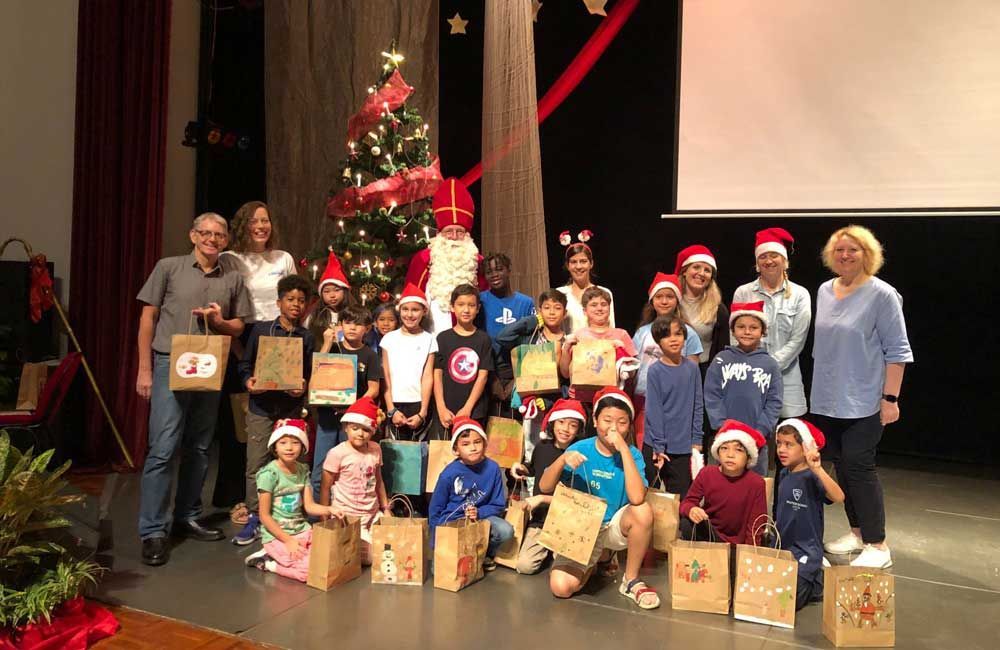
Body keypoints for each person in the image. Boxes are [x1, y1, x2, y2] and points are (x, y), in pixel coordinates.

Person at [135, 212, 253, 566]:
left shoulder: (233, 276)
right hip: (168, 361)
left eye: (219, 234)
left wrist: (218, 321)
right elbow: (147, 319)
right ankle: (153, 530)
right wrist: (143, 369)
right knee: (164, 446)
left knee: (200, 446)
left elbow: (238, 327)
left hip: (210, 364)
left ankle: (187, 516)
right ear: (192, 235)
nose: (212, 239)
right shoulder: (168, 268)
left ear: (227, 240)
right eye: (205, 233)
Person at [811, 225, 913, 569]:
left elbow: (897, 351)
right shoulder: (825, 290)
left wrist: (891, 398)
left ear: (867, 254)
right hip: (827, 398)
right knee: (841, 467)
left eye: (853, 249)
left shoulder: (882, 294)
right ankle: (857, 533)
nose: (845, 255)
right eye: (839, 249)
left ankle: (877, 544)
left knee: (860, 468)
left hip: (865, 399)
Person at [541, 388, 660, 610]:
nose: (613, 427)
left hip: (612, 526)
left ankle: (630, 580)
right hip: (581, 530)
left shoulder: (632, 454)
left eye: (622, 422)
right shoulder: (580, 448)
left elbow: (636, 498)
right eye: (607, 420)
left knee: (643, 510)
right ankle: (596, 561)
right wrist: (562, 461)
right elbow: (545, 486)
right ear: (595, 421)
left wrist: (623, 449)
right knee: (561, 587)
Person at [217, 201, 297, 517]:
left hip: (280, 339)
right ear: (242, 225)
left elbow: (295, 299)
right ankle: (239, 497)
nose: (261, 226)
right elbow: (225, 306)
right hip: (242, 338)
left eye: (266, 220)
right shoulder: (229, 259)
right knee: (241, 422)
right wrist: (241, 357)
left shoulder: (283, 258)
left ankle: (280, 493)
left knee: (279, 418)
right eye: (254, 221)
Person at [234, 274, 315, 545]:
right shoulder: (261, 330)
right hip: (261, 406)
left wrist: (303, 387)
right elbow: (245, 364)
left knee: (293, 462)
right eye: (290, 299)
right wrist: (249, 382)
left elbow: (311, 372)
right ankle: (256, 517)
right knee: (256, 463)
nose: (296, 305)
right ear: (279, 302)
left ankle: (291, 516)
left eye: (301, 301)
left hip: (291, 409)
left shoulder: (306, 336)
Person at [243, 419, 338, 582]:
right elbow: (264, 516)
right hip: (278, 534)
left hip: (302, 529)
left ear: (303, 446)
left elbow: (309, 506)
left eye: (295, 442)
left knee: (330, 558)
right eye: (283, 442)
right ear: (275, 446)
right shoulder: (268, 474)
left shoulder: (302, 470)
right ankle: (268, 563)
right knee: (309, 572)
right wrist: (287, 540)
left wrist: (330, 510)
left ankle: (279, 555)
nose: (289, 447)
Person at [732, 228, 811, 419]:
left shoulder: (800, 295)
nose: (768, 261)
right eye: (763, 256)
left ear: (785, 261)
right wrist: (751, 370)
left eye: (774, 255)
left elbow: (797, 341)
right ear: (757, 263)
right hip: (749, 379)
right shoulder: (743, 292)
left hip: (787, 380)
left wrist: (768, 366)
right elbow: (736, 339)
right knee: (753, 438)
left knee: (787, 438)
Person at [703, 302, 783, 476]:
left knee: (755, 485)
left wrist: (760, 431)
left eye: (753, 327)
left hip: (757, 439)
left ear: (763, 331)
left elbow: (774, 401)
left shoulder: (770, 364)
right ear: (733, 330)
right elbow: (711, 395)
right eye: (741, 327)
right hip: (726, 436)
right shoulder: (721, 359)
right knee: (725, 483)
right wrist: (721, 425)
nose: (747, 332)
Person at [310, 304, 382, 496]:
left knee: (350, 465)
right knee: (320, 468)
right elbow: (317, 373)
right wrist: (326, 342)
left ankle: (349, 514)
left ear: (367, 329)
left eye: (358, 324)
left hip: (353, 421)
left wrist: (355, 408)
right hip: (328, 416)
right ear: (340, 325)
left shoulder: (370, 355)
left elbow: (374, 388)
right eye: (347, 322)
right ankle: (318, 517)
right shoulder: (333, 348)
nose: (352, 327)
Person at [774, 418, 845, 610]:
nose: (781, 449)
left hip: (806, 552)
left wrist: (818, 469)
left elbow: (838, 496)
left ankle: (815, 579)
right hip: (784, 549)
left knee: (786, 602)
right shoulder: (784, 474)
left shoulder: (812, 477)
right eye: (779, 443)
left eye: (789, 444)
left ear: (805, 447)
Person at [509, 399, 586, 575]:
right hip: (540, 520)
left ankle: (555, 554)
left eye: (572, 425)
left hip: (566, 522)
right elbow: (533, 469)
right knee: (524, 566)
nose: (566, 429)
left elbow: (578, 500)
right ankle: (545, 552)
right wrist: (520, 468)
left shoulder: (580, 456)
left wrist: (543, 498)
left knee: (563, 570)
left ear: (579, 429)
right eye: (561, 422)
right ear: (553, 423)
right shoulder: (542, 448)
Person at [428, 417, 514, 572]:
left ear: (485, 443)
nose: (473, 448)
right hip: (453, 522)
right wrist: (436, 545)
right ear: (456, 450)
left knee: (505, 530)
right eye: (466, 444)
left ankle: (484, 554)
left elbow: (498, 504)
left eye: (477, 442)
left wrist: (479, 512)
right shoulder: (449, 474)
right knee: (438, 571)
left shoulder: (493, 469)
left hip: (481, 518)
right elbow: (435, 509)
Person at [404, 177, 487, 333]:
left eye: (460, 232)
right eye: (449, 231)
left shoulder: (477, 260)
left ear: (467, 234)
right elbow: (412, 296)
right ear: (440, 233)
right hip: (432, 331)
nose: (454, 236)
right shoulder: (424, 258)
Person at [496, 289, 570, 459]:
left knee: (555, 449)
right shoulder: (530, 337)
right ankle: (530, 483)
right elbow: (502, 337)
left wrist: (549, 401)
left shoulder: (568, 341)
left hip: (554, 404)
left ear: (564, 313)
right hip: (528, 404)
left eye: (557, 308)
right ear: (540, 311)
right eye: (546, 308)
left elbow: (567, 378)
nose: (551, 312)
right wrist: (530, 321)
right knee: (528, 449)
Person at [632, 273, 703, 448]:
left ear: (677, 301)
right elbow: (634, 365)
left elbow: (691, 377)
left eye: (670, 297)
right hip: (643, 400)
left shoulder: (689, 333)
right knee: (646, 447)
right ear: (652, 300)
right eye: (659, 297)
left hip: (676, 403)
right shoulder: (642, 332)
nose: (664, 301)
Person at [319, 397, 391, 565]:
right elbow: (325, 487)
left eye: (366, 429)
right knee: (376, 557)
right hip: (348, 517)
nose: (360, 433)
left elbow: (378, 481)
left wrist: (385, 508)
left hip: (372, 514)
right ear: (346, 428)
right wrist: (325, 520)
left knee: (393, 545)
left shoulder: (375, 449)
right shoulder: (337, 453)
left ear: (372, 431)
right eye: (355, 428)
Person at [559, 287, 638, 429]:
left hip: (611, 402)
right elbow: (565, 373)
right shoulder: (578, 335)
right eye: (593, 305)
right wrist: (566, 349)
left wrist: (621, 351)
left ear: (609, 308)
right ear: (585, 311)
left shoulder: (621, 335)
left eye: (604, 304)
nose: (599, 308)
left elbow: (632, 373)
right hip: (583, 400)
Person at [642, 315, 704, 497]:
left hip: (683, 446)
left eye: (678, 334)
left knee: (681, 497)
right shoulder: (655, 371)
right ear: (658, 341)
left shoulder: (692, 368)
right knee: (654, 496)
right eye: (667, 335)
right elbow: (654, 410)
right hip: (656, 445)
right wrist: (659, 446)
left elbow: (698, 405)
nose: (674, 339)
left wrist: (697, 439)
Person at [679, 419, 767, 545]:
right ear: (718, 452)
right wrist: (691, 509)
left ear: (748, 457)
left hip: (738, 543)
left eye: (738, 450)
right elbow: (687, 502)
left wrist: (748, 553)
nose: (730, 455)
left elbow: (756, 523)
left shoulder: (756, 483)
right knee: (686, 523)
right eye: (724, 448)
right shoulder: (707, 473)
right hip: (711, 535)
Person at [480, 253, 536, 415]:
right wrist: (492, 379)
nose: (494, 275)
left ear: (509, 270)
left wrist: (517, 380)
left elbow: (530, 345)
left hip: (516, 373)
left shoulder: (526, 303)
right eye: (489, 272)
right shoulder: (481, 300)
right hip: (489, 372)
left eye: (499, 269)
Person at [433, 284, 494, 433]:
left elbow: (483, 376)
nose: (466, 310)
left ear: (478, 309)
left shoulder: (484, 339)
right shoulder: (443, 338)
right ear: (452, 307)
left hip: (473, 411)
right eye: (461, 305)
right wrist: (441, 408)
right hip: (446, 411)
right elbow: (437, 374)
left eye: (471, 305)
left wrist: (468, 408)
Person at [380, 284, 436, 441]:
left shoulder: (429, 339)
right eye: (405, 309)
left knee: (418, 454)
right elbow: (386, 376)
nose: (410, 314)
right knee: (396, 456)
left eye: (415, 310)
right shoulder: (389, 339)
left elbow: (427, 376)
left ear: (424, 311)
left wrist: (422, 412)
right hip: (395, 404)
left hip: (418, 403)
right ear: (399, 310)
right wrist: (391, 410)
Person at [675, 244, 729, 374]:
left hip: (704, 373)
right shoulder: (671, 302)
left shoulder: (718, 309)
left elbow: (723, 350)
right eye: (696, 267)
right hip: (672, 370)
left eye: (707, 270)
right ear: (684, 271)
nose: (701, 273)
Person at [556, 230, 615, 334]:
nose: (578, 266)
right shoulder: (560, 294)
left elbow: (611, 328)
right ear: (567, 265)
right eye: (574, 262)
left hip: (599, 347)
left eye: (583, 261)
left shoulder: (604, 293)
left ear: (591, 264)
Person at [305, 251, 356, 343]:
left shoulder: (353, 313)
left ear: (344, 291)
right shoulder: (316, 315)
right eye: (327, 291)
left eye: (336, 290)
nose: (332, 295)